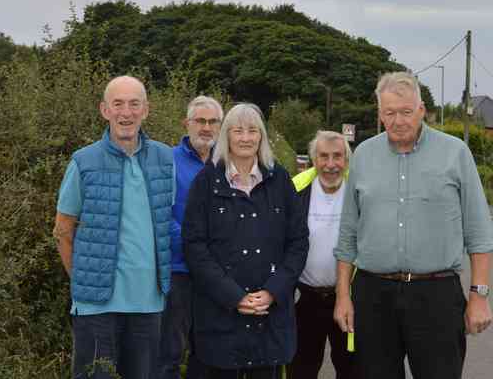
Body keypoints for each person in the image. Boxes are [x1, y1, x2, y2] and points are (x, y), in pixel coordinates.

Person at [333, 71, 493, 379]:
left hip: (437, 295)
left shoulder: (455, 153)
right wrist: (343, 296)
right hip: (373, 294)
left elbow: (479, 232)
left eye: (406, 112)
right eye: (390, 112)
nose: (398, 120)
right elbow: (348, 234)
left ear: (421, 110)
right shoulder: (364, 155)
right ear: (380, 114)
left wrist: (479, 296)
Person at [53, 75, 175, 379]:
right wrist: (83, 280)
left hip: (148, 303)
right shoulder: (83, 161)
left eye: (134, 104)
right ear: (104, 110)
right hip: (96, 306)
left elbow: (166, 221)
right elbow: (62, 230)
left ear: (146, 110)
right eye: (118, 104)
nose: (126, 112)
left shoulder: (165, 159)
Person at [183, 103, 309, 378]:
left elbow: (298, 241)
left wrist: (274, 291)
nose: (245, 138)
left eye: (253, 130)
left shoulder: (280, 180)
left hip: (270, 320)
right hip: (219, 319)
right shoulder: (206, 181)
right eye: (237, 130)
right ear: (226, 136)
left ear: (261, 137)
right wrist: (234, 296)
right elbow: (194, 245)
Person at [158, 95, 224, 379]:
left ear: (221, 126)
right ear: (186, 123)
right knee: (170, 352)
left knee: (209, 351)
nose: (206, 128)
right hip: (179, 271)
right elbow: (160, 213)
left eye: (212, 122)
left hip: (217, 274)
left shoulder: (228, 164)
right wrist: (195, 249)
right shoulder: (168, 161)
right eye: (200, 121)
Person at [287, 130, 354, 379]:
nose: (330, 164)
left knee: (351, 369)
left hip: (348, 300)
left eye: (337, 156)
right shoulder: (295, 189)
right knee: (301, 368)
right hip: (305, 299)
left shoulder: (359, 191)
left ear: (346, 160)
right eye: (323, 156)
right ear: (314, 159)